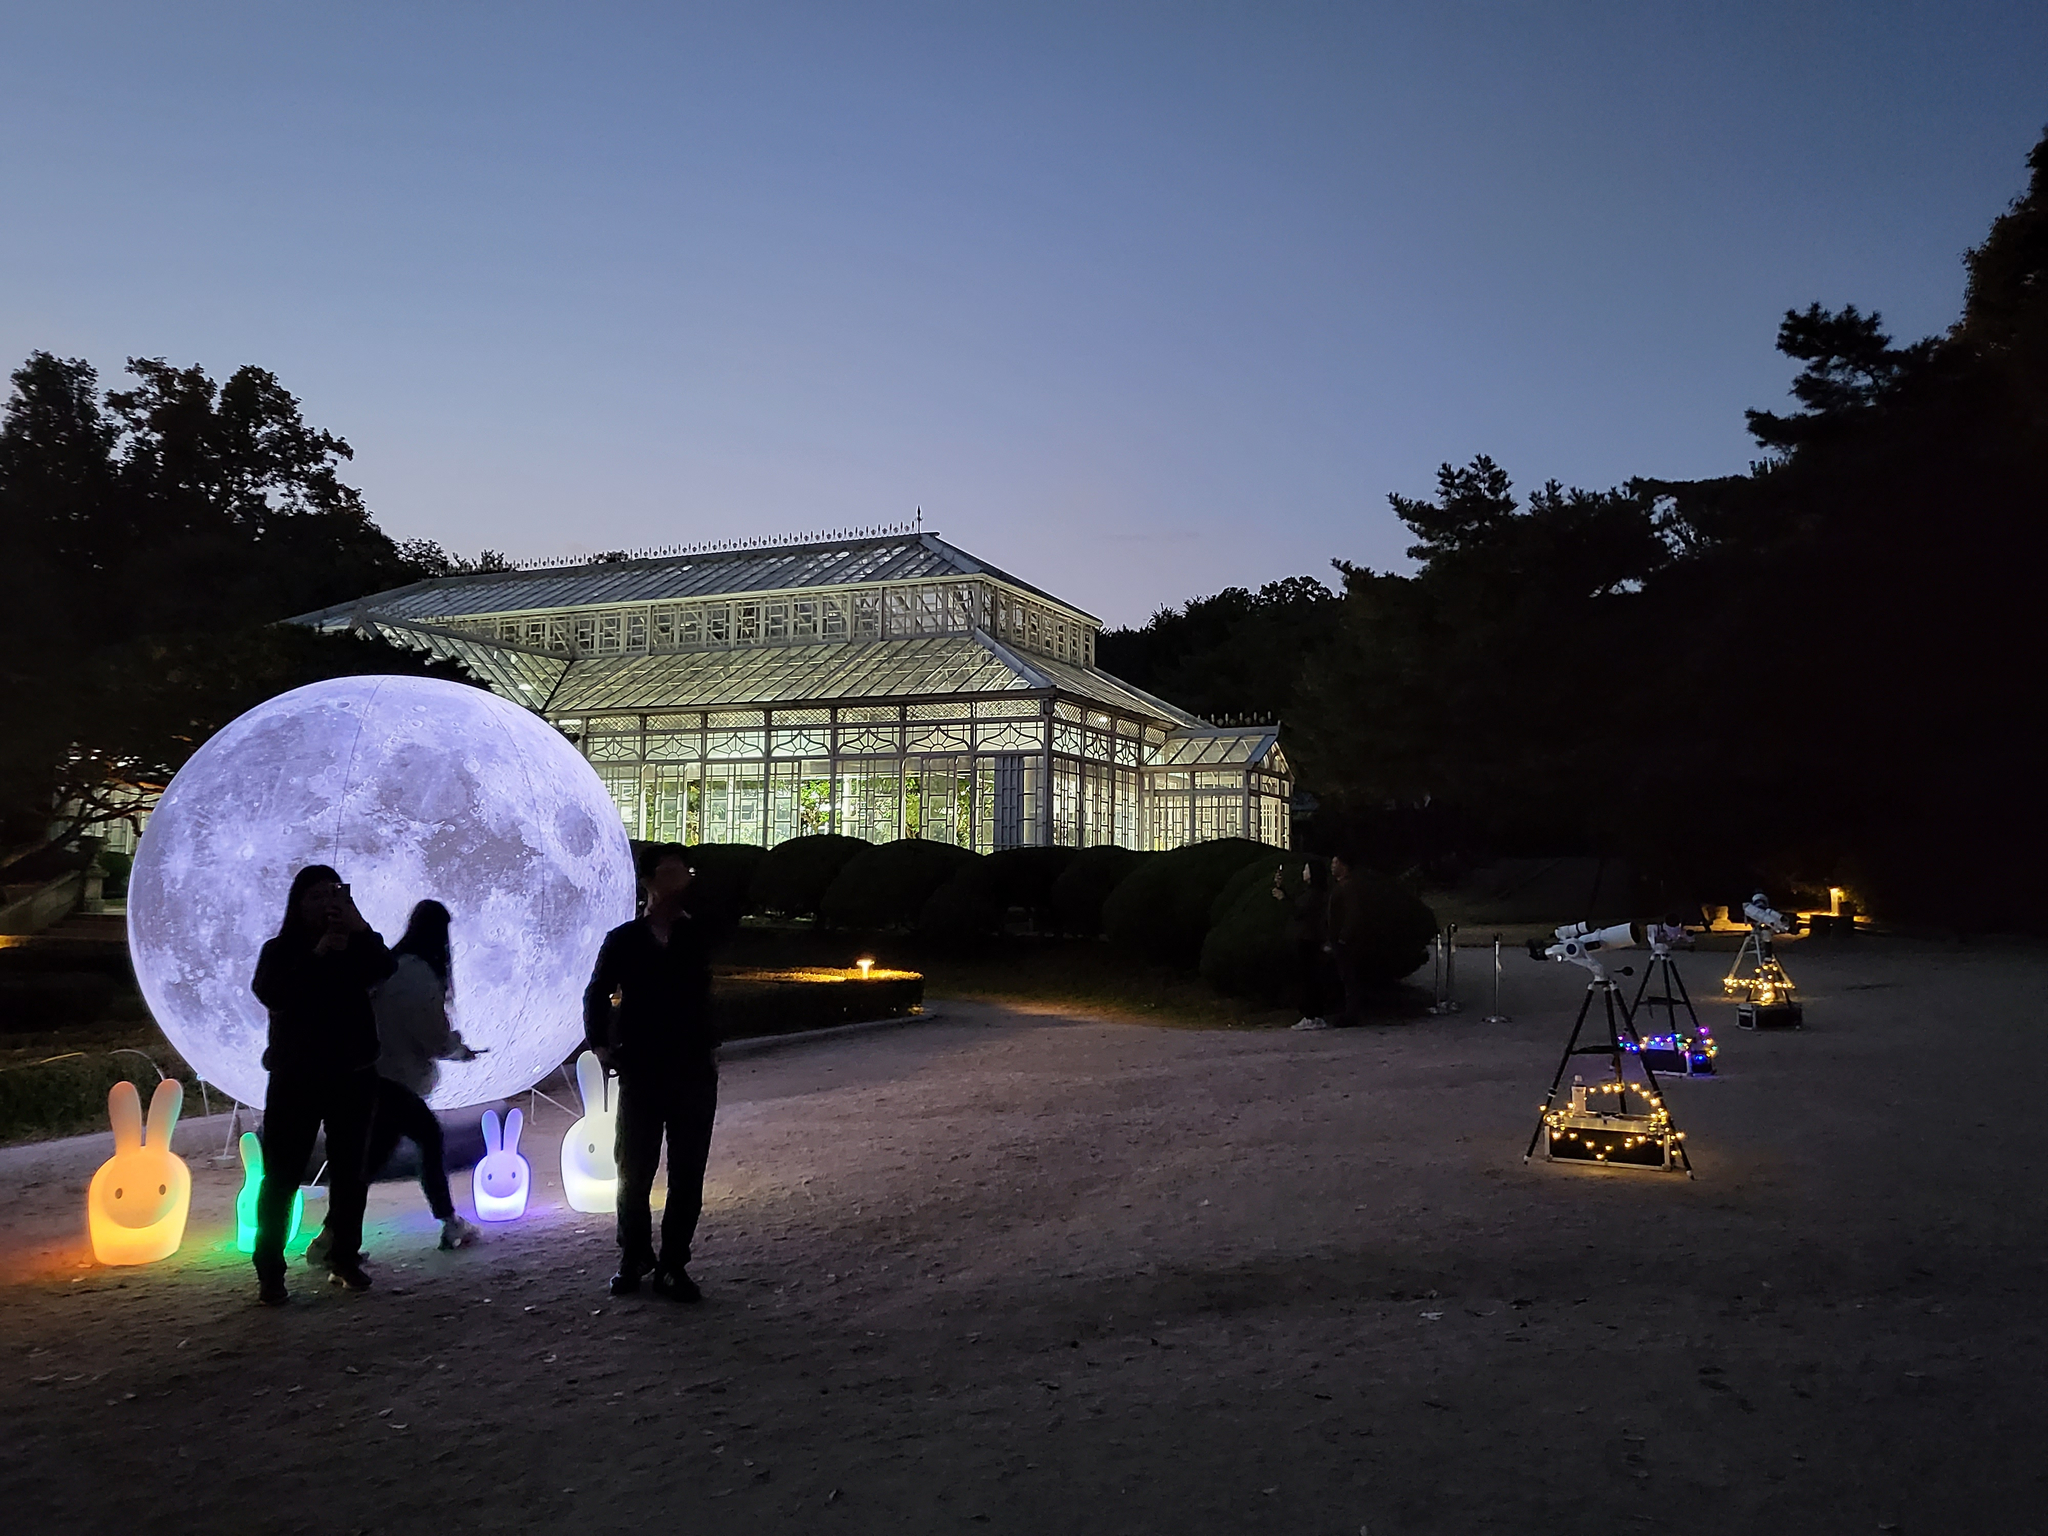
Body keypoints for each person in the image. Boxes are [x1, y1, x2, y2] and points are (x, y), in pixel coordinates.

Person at [305, 899, 482, 1266]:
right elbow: (431, 1034)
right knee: (427, 1140)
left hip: (373, 1074)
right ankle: (449, 1223)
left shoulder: (391, 965)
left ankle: (331, 1238)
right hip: (395, 1080)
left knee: (370, 1160)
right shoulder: (420, 976)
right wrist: (459, 1049)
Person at [250, 865, 394, 1303]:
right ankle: (270, 1270)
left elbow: (385, 967)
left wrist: (359, 927)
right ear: (296, 903)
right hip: (296, 1076)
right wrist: (316, 955)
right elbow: (272, 992)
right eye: (314, 896)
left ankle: (345, 1256)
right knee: (282, 1175)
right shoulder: (280, 950)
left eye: (334, 895)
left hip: (352, 1073)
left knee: (350, 1172)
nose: (325, 904)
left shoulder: (355, 946)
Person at [582, 843, 719, 1302]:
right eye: (669, 874)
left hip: (692, 1067)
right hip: (642, 1067)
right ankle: (634, 1255)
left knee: (687, 1171)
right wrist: (601, 1043)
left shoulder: (697, 935)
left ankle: (674, 1263)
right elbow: (597, 991)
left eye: (684, 873)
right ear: (647, 881)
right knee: (633, 1169)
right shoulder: (624, 938)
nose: (679, 882)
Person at [1274, 859, 1334, 1030]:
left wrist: (1284, 898)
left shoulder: (1314, 894)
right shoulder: (1314, 893)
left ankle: (1310, 1015)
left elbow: (1299, 911)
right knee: (1312, 978)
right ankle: (1315, 1015)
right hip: (1311, 938)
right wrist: (1283, 891)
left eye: (1306, 870)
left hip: (1307, 939)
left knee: (1308, 978)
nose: (1303, 873)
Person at [1324, 851, 1371, 1028]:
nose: (1332, 866)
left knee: (1349, 977)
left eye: (1335, 862)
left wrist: (1344, 937)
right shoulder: (1342, 886)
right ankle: (1347, 1012)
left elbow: (1353, 914)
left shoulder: (1347, 887)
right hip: (1339, 939)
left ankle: (1351, 1014)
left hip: (1345, 941)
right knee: (1346, 977)